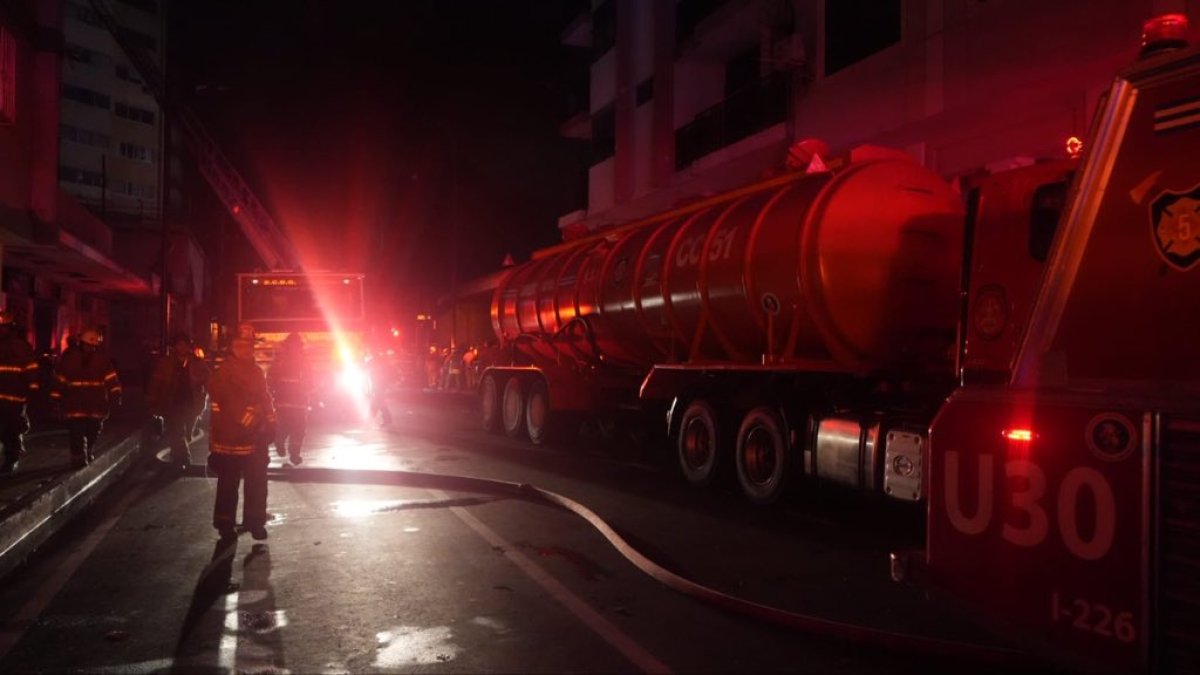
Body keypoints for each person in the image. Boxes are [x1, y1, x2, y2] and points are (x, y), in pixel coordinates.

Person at [207, 337, 275, 540]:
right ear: (232, 349)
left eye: (248, 346)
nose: (245, 350)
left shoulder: (255, 371)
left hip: (255, 438)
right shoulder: (225, 372)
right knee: (228, 484)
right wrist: (253, 422)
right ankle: (225, 524)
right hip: (231, 441)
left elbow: (265, 398)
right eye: (240, 346)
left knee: (257, 483)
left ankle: (255, 522)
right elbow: (230, 404)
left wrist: (271, 423)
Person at [52, 327, 121, 469]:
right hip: (75, 405)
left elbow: (112, 380)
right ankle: (78, 459)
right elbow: (59, 381)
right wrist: (55, 399)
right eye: (87, 345)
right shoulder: (70, 359)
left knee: (93, 431)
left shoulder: (102, 360)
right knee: (76, 433)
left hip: (96, 405)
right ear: (81, 343)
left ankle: (87, 450)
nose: (90, 347)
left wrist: (115, 396)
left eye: (93, 345)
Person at [146, 333, 209, 471]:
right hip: (173, 403)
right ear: (175, 347)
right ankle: (182, 460)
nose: (181, 347)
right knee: (177, 431)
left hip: (192, 405)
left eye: (184, 344)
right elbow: (156, 383)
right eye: (179, 344)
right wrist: (153, 402)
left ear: (188, 346)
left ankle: (178, 455)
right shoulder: (166, 363)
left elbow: (209, 381)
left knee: (186, 434)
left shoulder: (197, 363)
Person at [0, 311, 40, 473]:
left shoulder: (21, 347)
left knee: (12, 428)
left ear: (11, 328)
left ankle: (12, 458)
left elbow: (32, 370)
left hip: (14, 397)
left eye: (3, 328)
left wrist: (33, 390)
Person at [267, 333, 310, 465]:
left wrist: (272, 393)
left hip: (284, 402)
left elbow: (270, 379)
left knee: (286, 426)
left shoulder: (280, 360)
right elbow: (311, 380)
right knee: (298, 429)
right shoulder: (303, 360)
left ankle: (282, 443)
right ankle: (293, 453)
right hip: (297, 402)